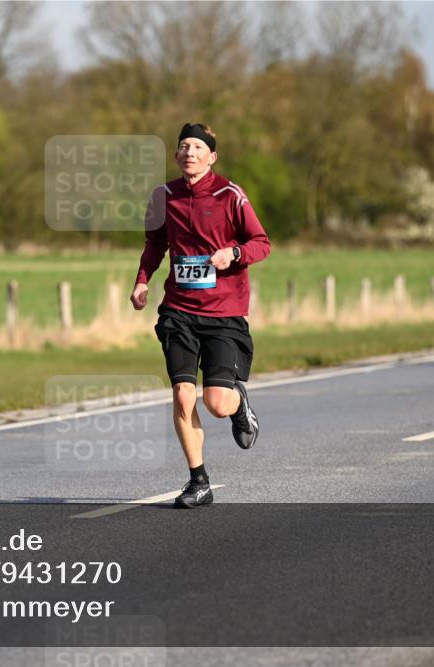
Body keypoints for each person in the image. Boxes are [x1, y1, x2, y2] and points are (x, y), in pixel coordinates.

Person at [130, 122, 271, 508]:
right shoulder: (163, 196)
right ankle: (198, 481)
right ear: (176, 156)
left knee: (217, 404)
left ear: (212, 157)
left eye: (197, 147)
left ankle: (239, 404)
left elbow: (261, 242)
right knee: (181, 393)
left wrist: (235, 254)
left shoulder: (231, 195)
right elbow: (154, 244)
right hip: (179, 311)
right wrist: (143, 281)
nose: (189, 152)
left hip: (224, 313)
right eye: (183, 147)